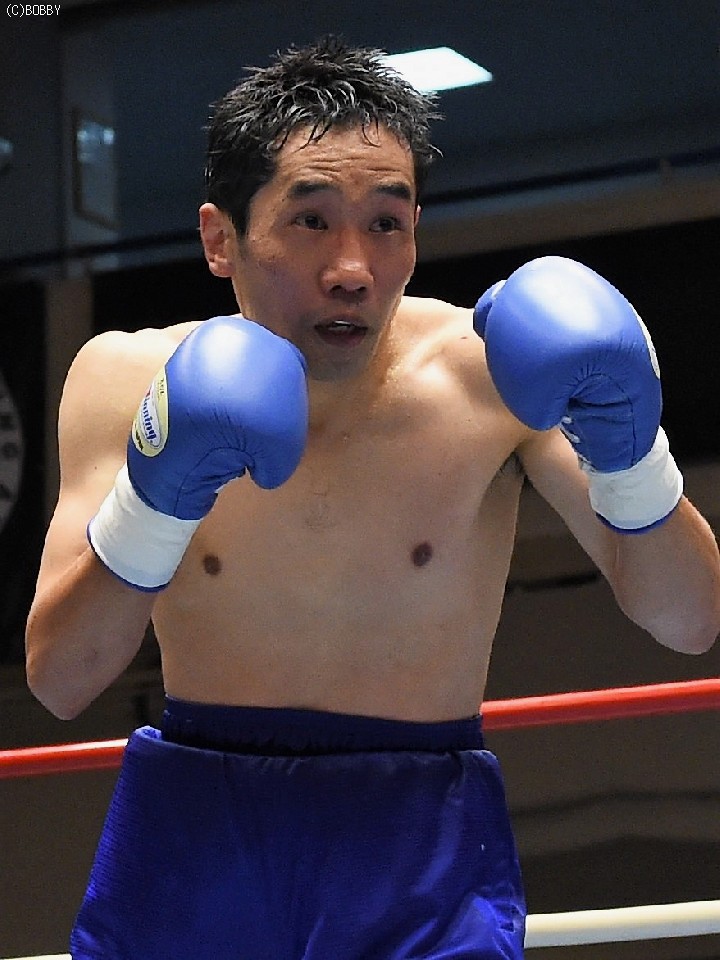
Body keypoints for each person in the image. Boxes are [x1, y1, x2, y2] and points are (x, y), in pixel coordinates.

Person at [25, 36, 720, 960]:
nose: (352, 266)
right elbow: (61, 679)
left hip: (418, 843)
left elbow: (688, 621)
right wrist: (156, 502)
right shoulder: (124, 380)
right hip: (196, 833)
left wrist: (634, 459)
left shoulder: (489, 378)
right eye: (311, 220)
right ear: (220, 238)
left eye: (386, 223)